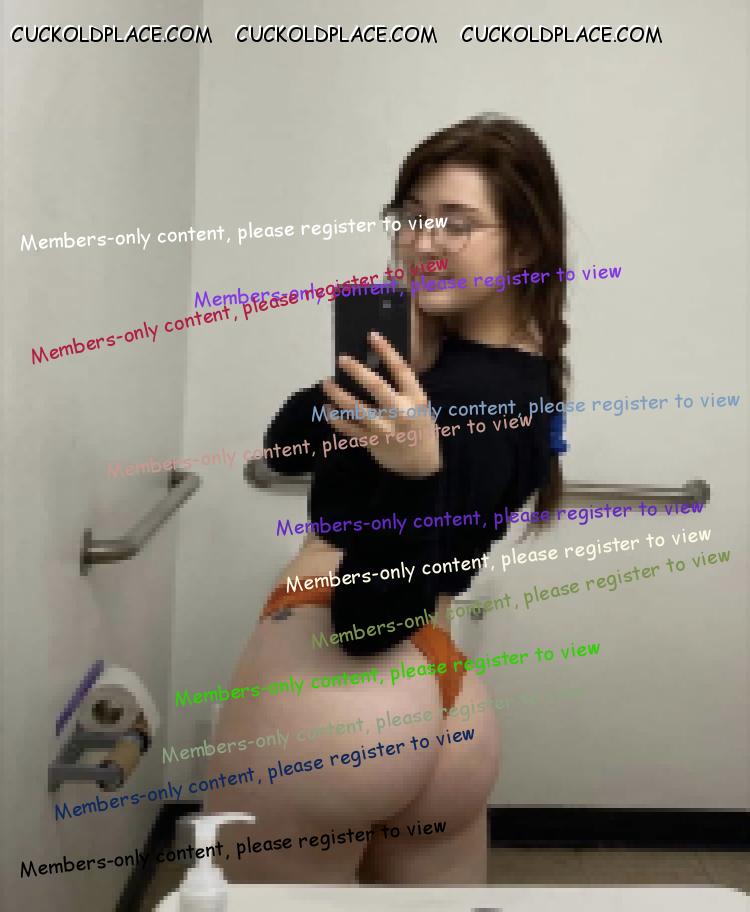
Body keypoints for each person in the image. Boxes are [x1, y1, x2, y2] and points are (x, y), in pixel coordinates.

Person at [206, 115, 569, 885]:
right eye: (410, 217)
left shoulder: (459, 400)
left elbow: (370, 622)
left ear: (525, 247)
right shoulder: (507, 374)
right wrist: (390, 364)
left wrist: (412, 475)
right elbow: (287, 446)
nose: (421, 242)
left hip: (336, 692)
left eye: (457, 224)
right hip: (448, 701)